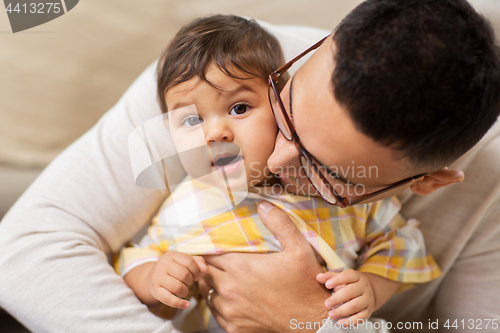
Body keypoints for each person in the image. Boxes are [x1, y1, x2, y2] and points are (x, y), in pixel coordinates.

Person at [0, 1, 498, 333]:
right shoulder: (224, 76)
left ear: (428, 182)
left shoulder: (488, 180)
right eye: (284, 114)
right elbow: (25, 250)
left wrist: (308, 320)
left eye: (326, 171)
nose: (279, 160)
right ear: (323, 44)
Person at [114, 15, 439, 332]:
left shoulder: (336, 188)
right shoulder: (185, 205)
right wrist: (155, 276)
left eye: (239, 108)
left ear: (282, 106)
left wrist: (369, 288)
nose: (215, 133)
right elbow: (133, 260)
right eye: (191, 121)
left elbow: (399, 247)